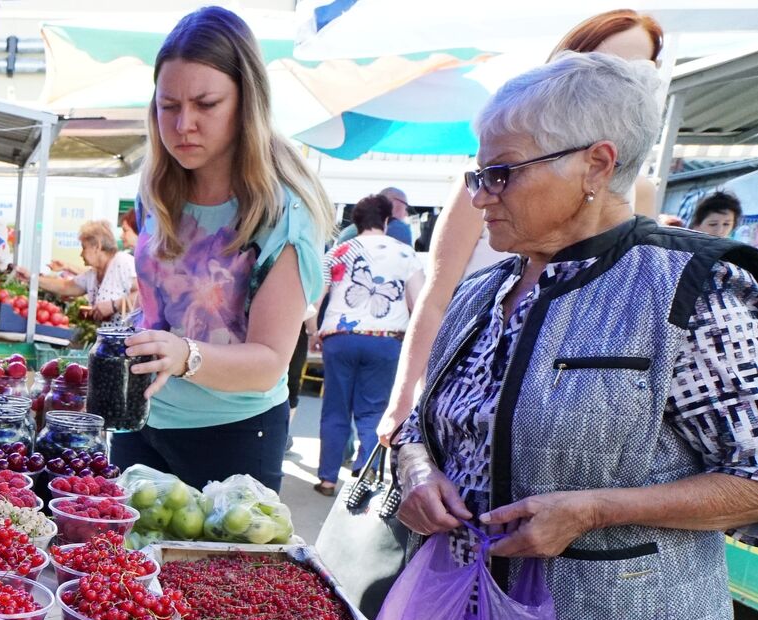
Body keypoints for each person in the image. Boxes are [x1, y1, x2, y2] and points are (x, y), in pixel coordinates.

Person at [393, 53, 758, 620]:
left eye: (501, 173)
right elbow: (423, 424)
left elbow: (749, 475)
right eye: (477, 173)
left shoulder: (688, 289)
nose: (478, 194)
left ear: (596, 164)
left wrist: (594, 508)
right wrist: (416, 473)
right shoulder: (484, 286)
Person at [376, 8, 665, 446]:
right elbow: (438, 296)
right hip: (461, 396)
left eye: (636, 71)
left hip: (556, 417)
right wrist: (402, 405)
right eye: (595, 64)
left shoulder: (639, 198)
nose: (614, 84)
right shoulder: (491, 177)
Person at [113, 6, 332, 493]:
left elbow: (271, 361)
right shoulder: (153, 189)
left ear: (246, 103)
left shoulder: (284, 213)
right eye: (168, 105)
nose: (183, 123)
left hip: (233, 436)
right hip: (138, 420)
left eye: (206, 104)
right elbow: (159, 308)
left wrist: (183, 354)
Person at [310, 194, 424, 496]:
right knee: (372, 409)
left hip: (340, 337)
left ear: (356, 222)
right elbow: (420, 302)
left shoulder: (338, 252)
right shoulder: (405, 254)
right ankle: (366, 473)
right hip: (385, 340)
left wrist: (313, 332)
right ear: (386, 221)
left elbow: (314, 300)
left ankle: (328, 479)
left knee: (335, 409)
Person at [17, 221, 138, 322]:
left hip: (129, 343)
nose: (81, 254)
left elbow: (144, 295)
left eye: (84, 247)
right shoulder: (93, 274)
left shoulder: (123, 262)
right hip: (108, 343)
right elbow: (65, 286)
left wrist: (113, 305)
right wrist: (31, 278)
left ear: (97, 246)